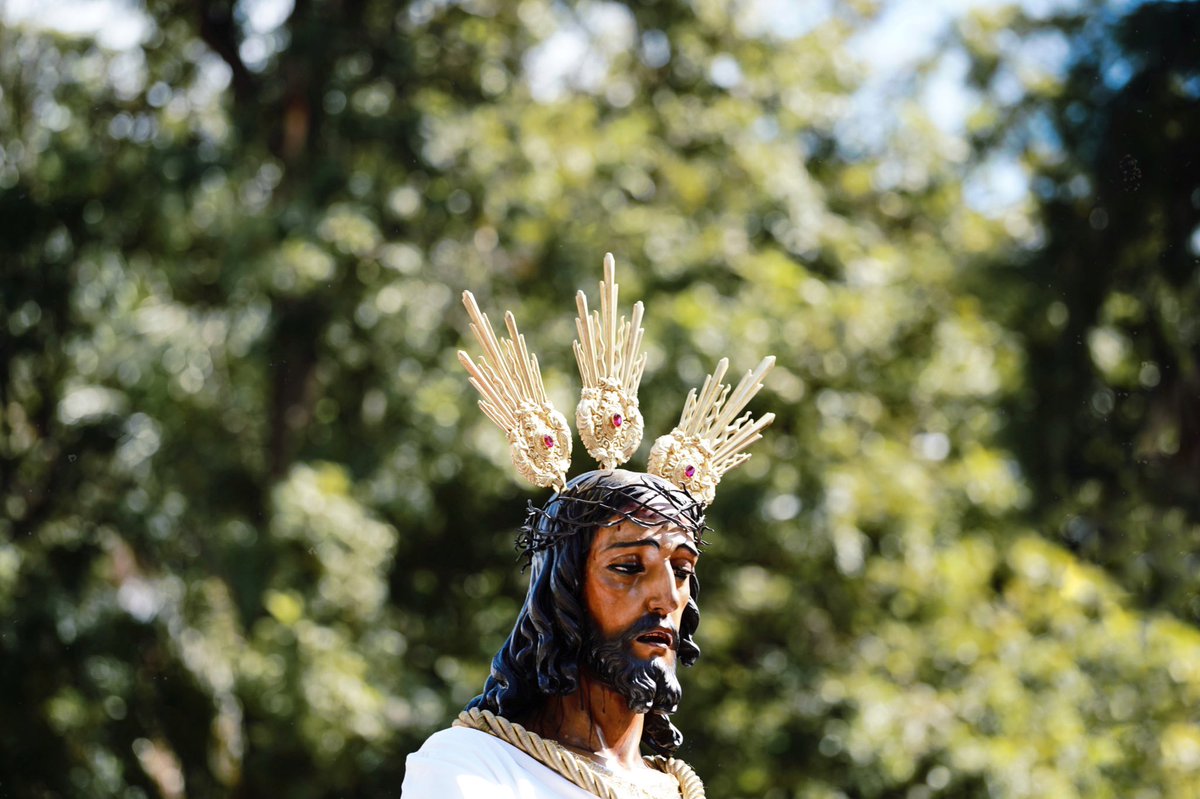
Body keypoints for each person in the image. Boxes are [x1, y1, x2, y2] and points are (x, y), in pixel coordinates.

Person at [402, 255, 774, 798]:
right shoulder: (472, 765)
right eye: (628, 567)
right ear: (565, 587)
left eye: (682, 569)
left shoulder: (677, 789)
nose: (665, 596)